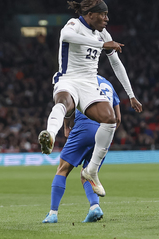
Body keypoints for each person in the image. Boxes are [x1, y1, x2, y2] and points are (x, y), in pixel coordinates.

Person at [38, 0, 142, 197]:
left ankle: (91, 170)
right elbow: (66, 36)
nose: (106, 18)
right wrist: (101, 45)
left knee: (110, 119)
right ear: (90, 14)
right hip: (68, 79)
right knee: (64, 103)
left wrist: (131, 95)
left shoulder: (103, 33)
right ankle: (50, 135)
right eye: (102, 14)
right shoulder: (74, 24)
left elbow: (116, 64)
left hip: (89, 84)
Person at [43, 75, 120, 223]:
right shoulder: (109, 85)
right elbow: (118, 118)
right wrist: (107, 137)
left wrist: (66, 126)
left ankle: (53, 213)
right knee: (88, 173)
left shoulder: (80, 78)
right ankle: (95, 207)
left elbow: (68, 105)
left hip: (84, 127)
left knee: (62, 169)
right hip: (104, 133)